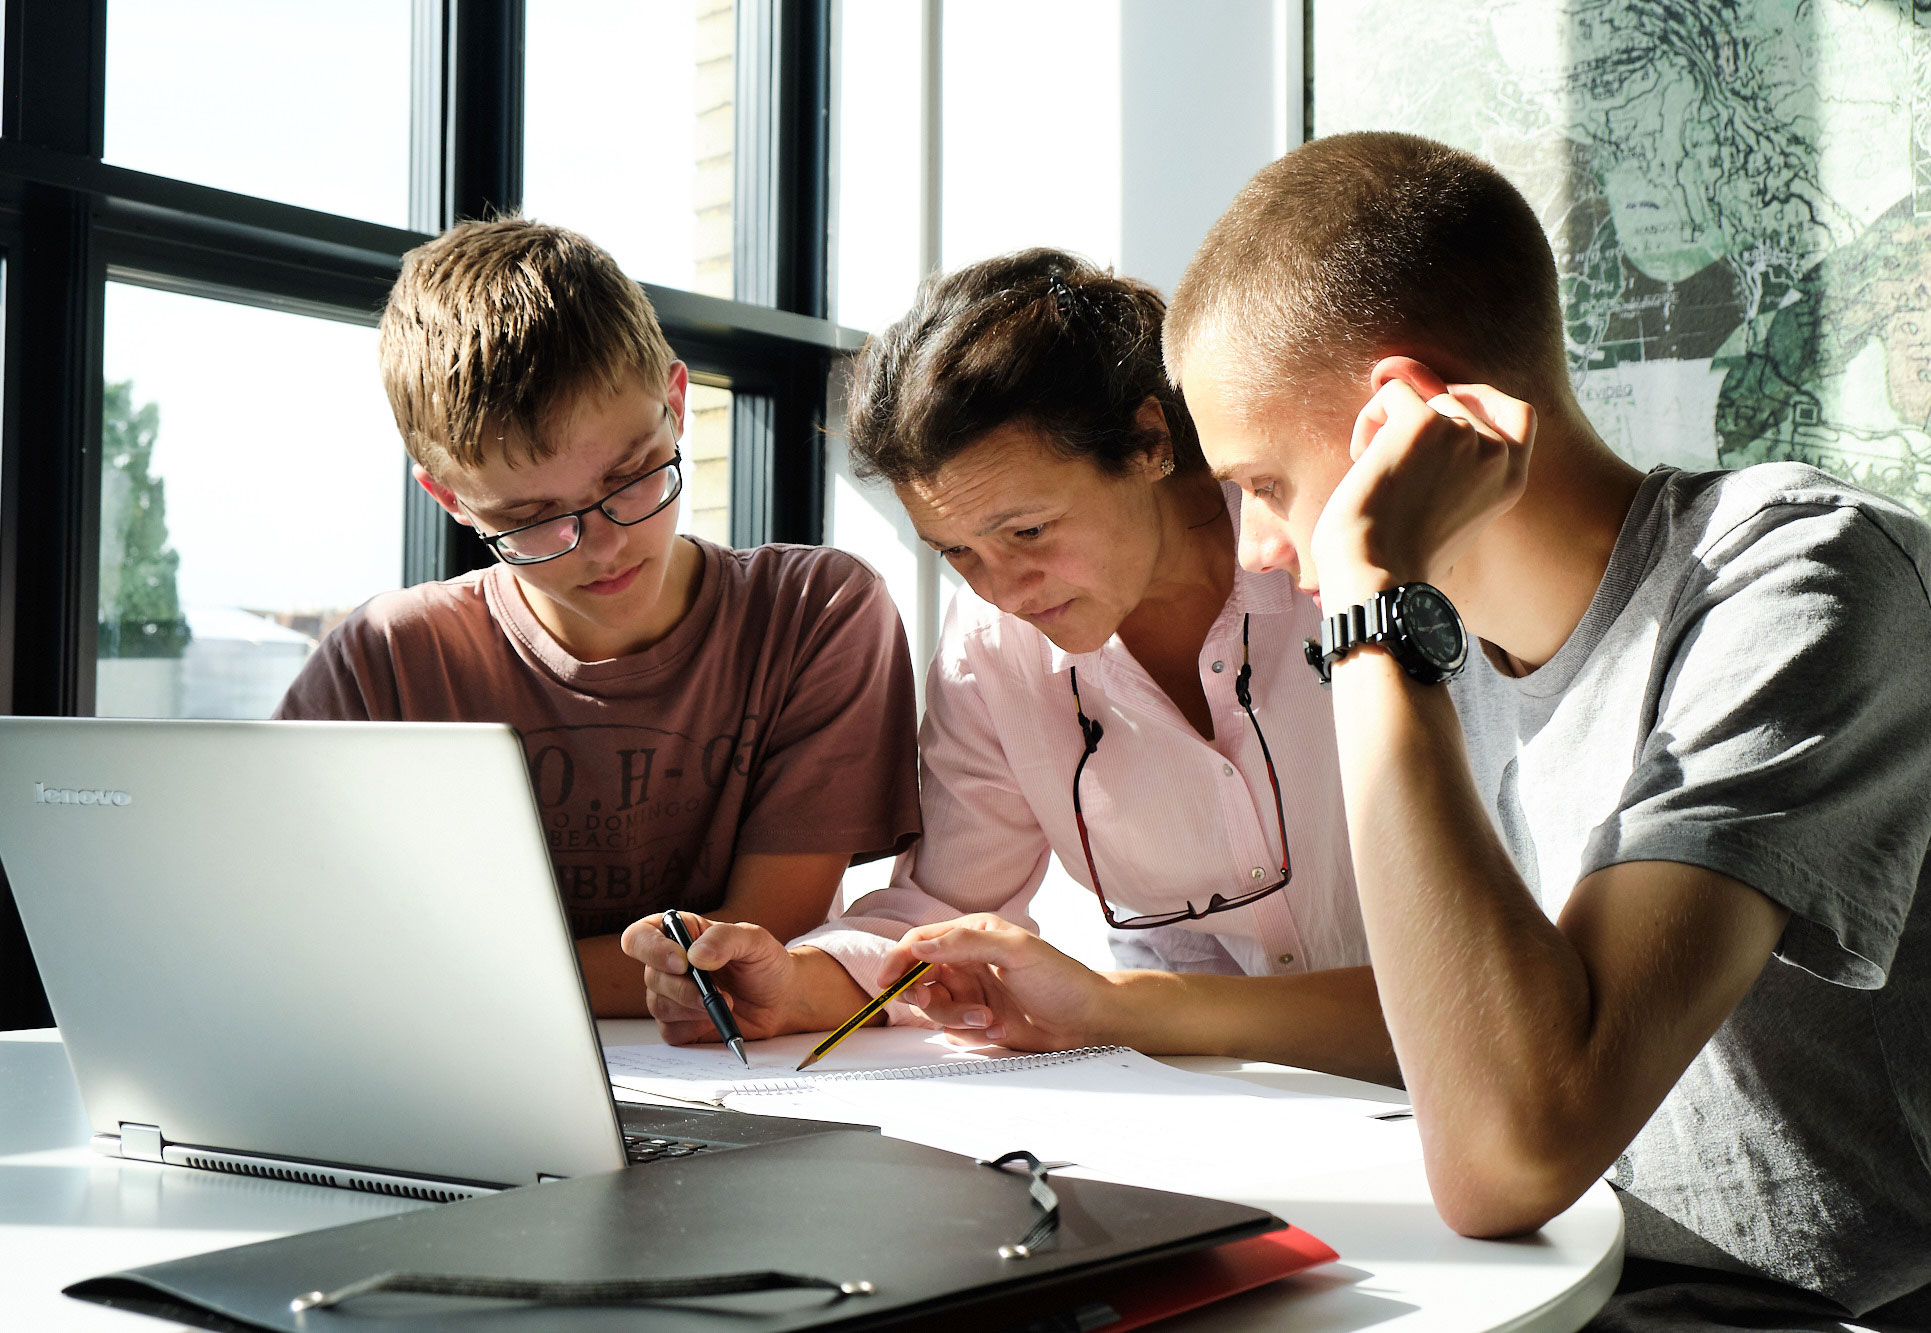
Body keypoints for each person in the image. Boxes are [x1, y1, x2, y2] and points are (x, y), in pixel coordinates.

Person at [1156, 131, 1931, 1327]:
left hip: (1863, 1312)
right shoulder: (1451, 661)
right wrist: (1103, 1007)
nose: (1253, 549)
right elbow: (1448, 1012)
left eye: (1258, 484)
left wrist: (1367, 592)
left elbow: (1509, 1149)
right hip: (1598, 1284)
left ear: (1396, 421)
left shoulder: (1804, 579)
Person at [623, 250, 1391, 1078]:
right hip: (1238, 1105)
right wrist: (790, 984)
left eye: (1028, 532)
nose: (1004, 591)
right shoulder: (992, 648)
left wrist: (1127, 1007)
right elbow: (944, 905)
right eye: (958, 552)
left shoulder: (1345, 557)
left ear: (1149, 440)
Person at [276, 218, 921, 1018]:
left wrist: (443, 978)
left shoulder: (816, 614)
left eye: (634, 476)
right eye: (534, 517)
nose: (606, 545)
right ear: (450, 500)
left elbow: (749, 953)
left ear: (677, 406)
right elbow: (295, 939)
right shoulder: (383, 663)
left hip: (744, 1087)